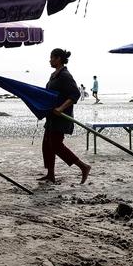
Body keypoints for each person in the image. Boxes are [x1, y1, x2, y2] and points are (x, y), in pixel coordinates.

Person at [39, 48, 91, 184]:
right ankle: (50, 174)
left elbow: (75, 94)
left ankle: (84, 167)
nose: (50, 60)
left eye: (52, 57)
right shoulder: (54, 75)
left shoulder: (65, 75)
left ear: (59, 59)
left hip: (61, 117)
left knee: (56, 145)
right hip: (51, 116)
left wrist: (61, 108)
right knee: (47, 145)